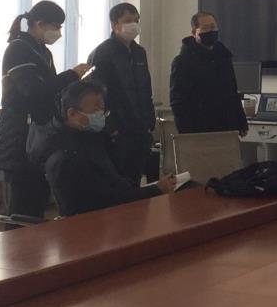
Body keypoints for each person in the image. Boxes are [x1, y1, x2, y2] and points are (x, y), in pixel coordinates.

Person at [0, 0, 91, 221]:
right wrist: (71, 75)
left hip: (40, 138)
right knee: (22, 210)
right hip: (20, 138)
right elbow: (33, 92)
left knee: (37, 206)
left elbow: (51, 93)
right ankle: (15, 244)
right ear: (39, 24)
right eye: (55, 26)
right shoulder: (18, 49)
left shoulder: (43, 52)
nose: (58, 33)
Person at [28, 80, 175, 216]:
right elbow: (105, 200)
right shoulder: (65, 156)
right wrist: (155, 190)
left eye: (103, 110)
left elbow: (116, 182)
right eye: (95, 109)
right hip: (91, 225)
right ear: (72, 113)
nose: (101, 115)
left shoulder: (91, 138)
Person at [88, 3, 155, 186]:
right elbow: (96, 95)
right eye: (127, 21)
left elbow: (146, 89)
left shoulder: (139, 52)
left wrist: (150, 122)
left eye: (136, 20)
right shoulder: (103, 53)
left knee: (135, 180)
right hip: (117, 132)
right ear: (114, 24)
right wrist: (112, 127)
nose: (133, 25)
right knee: (117, 183)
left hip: (140, 129)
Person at [169, 11, 249, 135]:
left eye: (213, 27)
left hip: (226, 126)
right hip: (199, 129)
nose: (211, 31)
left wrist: (241, 121)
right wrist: (186, 133)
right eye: (205, 28)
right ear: (194, 32)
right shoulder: (183, 62)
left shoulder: (223, 56)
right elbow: (178, 102)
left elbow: (232, 91)